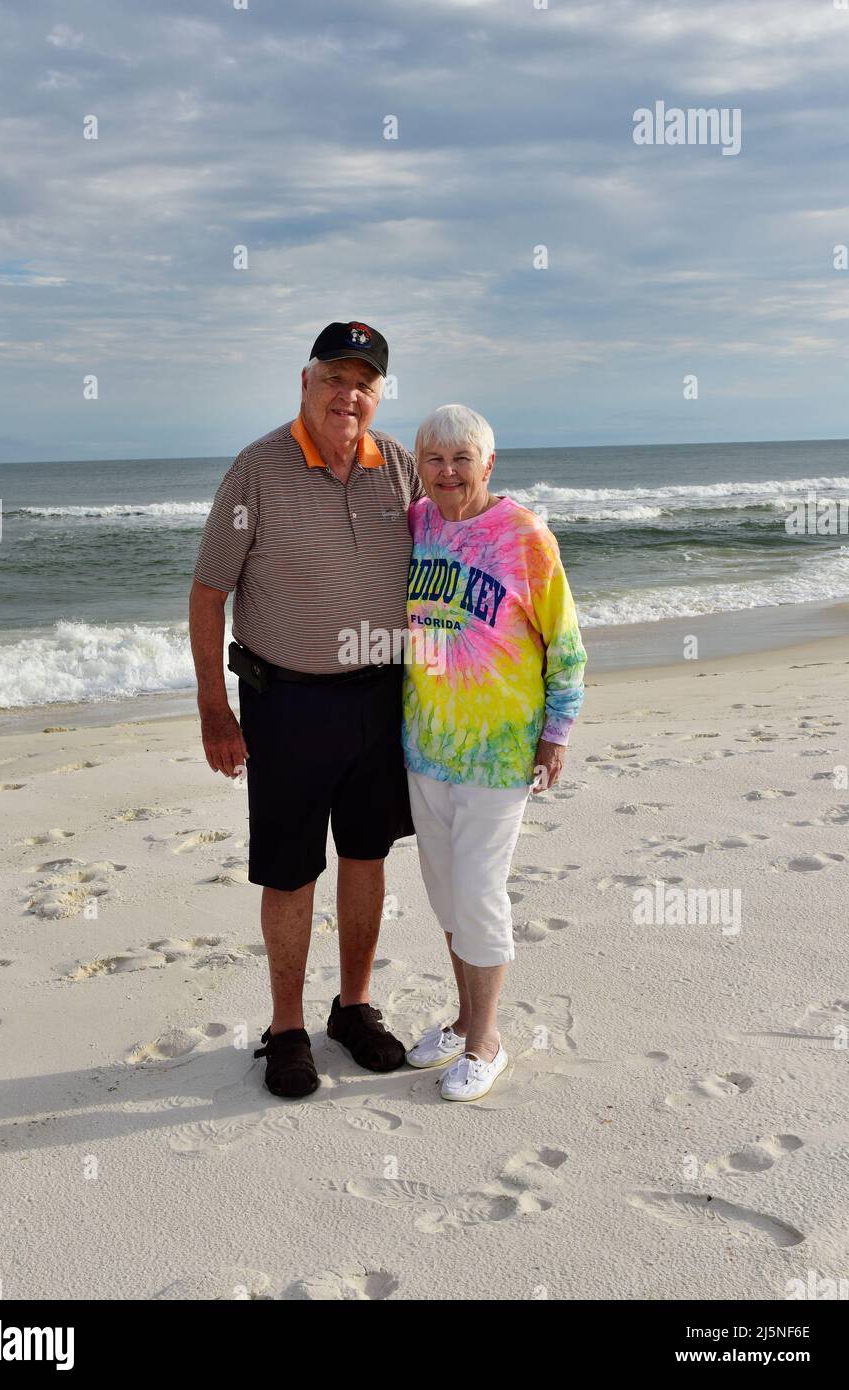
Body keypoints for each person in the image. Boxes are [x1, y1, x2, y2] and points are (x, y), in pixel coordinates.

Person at [189, 321, 421, 1099]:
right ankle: (286, 1026)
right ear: (305, 382)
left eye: (364, 382)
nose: (347, 395)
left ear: (378, 393)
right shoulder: (257, 469)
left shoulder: (399, 466)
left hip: (380, 699)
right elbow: (209, 591)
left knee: (367, 856)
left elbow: (451, 563)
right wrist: (214, 711)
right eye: (334, 378)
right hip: (285, 702)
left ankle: (352, 1010)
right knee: (288, 872)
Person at [401, 404, 587, 1101]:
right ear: (419, 467)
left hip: (498, 751)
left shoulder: (523, 535)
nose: (447, 473)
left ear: (488, 463)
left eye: (461, 459)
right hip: (424, 745)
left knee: (479, 895)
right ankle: (461, 1019)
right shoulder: (416, 524)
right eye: (434, 460)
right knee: (446, 897)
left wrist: (556, 733)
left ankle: (486, 1041)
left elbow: (564, 645)